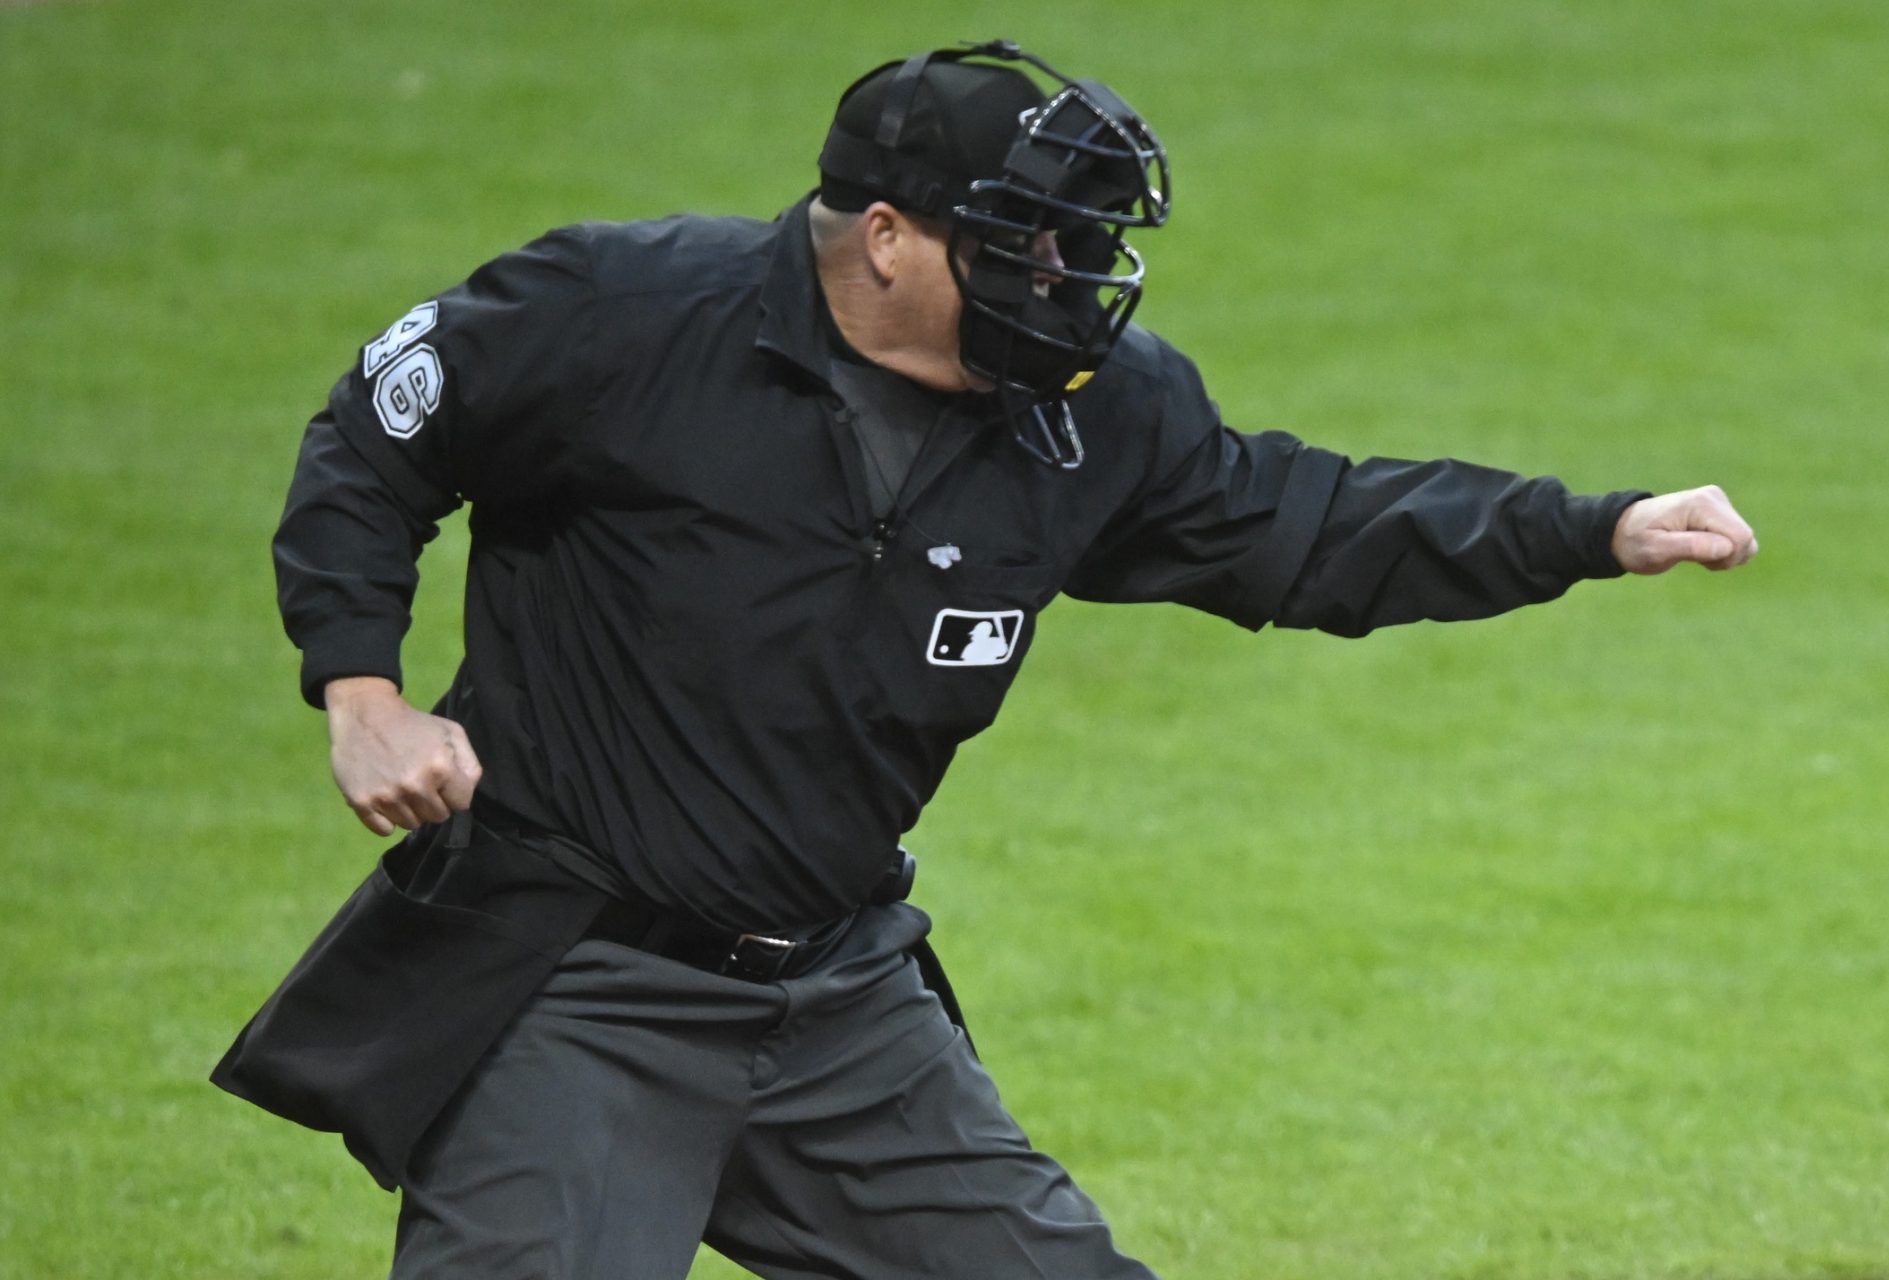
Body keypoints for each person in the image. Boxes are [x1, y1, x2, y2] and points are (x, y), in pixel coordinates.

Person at [214, 39, 1758, 1279]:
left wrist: (1593, 529)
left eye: (1082, 244)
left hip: (837, 1003)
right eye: (1027, 243)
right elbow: (377, 434)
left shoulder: (1095, 415)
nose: (1067, 281)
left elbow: (1313, 524)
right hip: (579, 982)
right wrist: (361, 688)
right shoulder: (626, 315)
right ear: (887, 238)